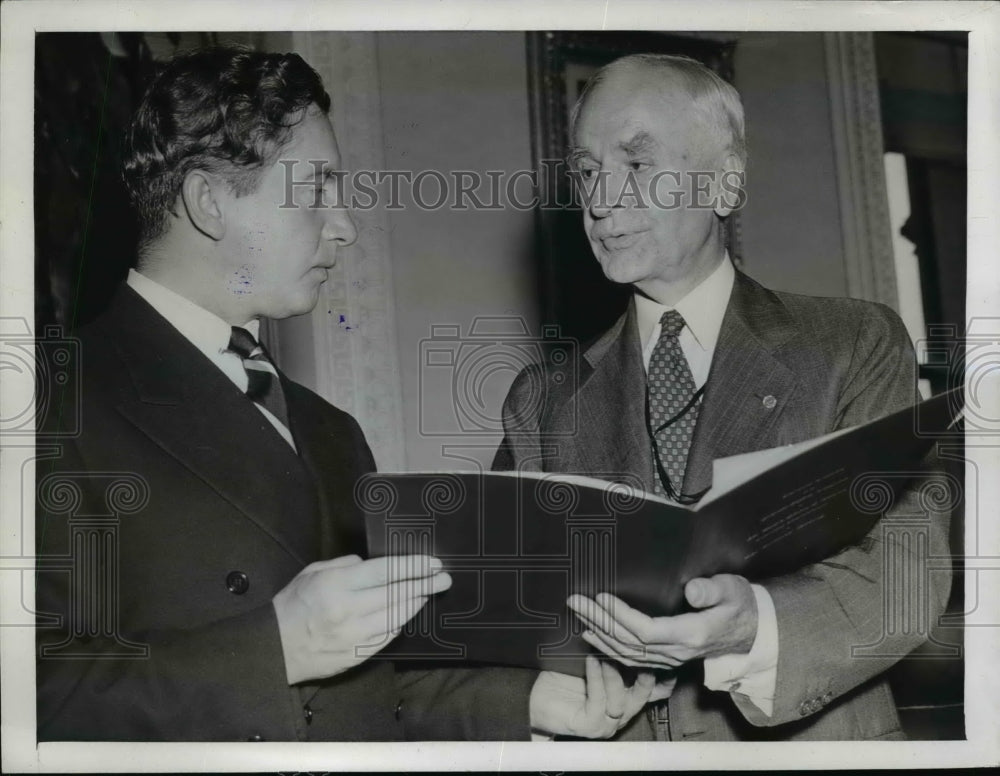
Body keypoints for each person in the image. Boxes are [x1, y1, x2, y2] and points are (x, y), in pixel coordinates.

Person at [34, 46, 657, 742]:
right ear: (209, 203)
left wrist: (531, 704)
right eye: (316, 189)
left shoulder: (330, 431)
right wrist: (275, 647)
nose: (345, 225)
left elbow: (370, 690)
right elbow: (31, 701)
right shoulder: (46, 399)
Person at [494, 53, 951, 741]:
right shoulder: (540, 402)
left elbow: (905, 572)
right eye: (587, 171)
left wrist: (753, 627)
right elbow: (501, 610)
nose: (601, 200)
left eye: (638, 165)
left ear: (726, 184)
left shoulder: (855, 344)